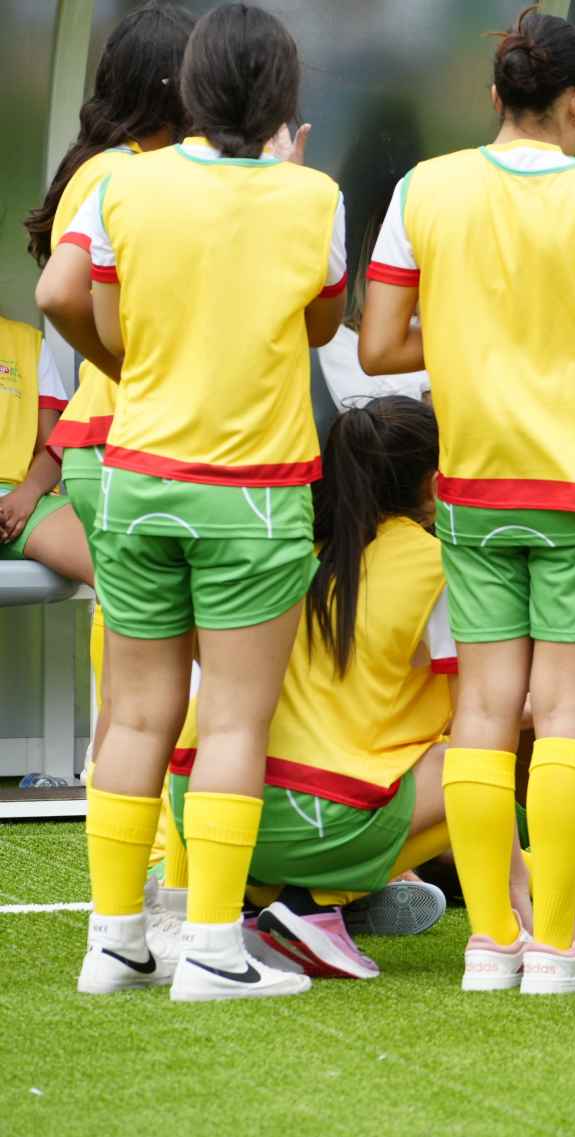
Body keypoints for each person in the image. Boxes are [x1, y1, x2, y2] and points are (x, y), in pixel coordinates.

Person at [37, 2, 345, 1001]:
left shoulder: (124, 182)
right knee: (233, 724)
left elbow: (59, 294)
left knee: (133, 716)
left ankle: (113, 943)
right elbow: (322, 322)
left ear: (194, 86)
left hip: (133, 480)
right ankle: (213, 948)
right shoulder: (313, 196)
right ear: (283, 100)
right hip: (252, 494)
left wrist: (120, 365)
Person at [359, 5, 575, 995]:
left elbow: (379, 346)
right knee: (569, 712)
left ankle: (490, 943)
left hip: (475, 482)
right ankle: (555, 945)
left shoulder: (424, 188)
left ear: (496, 97)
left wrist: (467, 341)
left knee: (481, 714)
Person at [164, 398, 458, 980]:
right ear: (432, 481)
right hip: (318, 817)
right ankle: (315, 906)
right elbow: (485, 713)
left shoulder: (294, 549)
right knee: (475, 765)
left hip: (206, 811)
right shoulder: (438, 562)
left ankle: (260, 903)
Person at [27, 0, 195, 957]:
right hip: (129, 439)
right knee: (143, 691)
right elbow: (82, 304)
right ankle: (146, 905)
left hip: (118, 442)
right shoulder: (129, 175)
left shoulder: (111, 169)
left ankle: (139, 905)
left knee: (135, 686)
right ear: (173, 82)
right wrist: (137, 365)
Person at [0, 315, 82, 583]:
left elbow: (52, 449)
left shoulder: (27, 341)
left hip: (17, 501)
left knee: (112, 557)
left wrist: (28, 494)